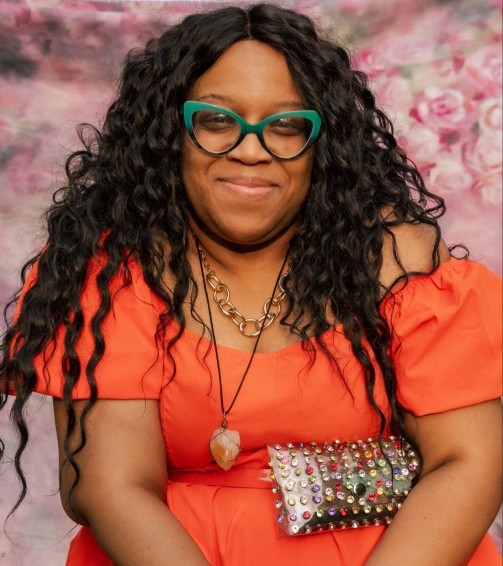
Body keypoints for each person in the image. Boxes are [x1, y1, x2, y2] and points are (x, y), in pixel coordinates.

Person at [1, 3, 501, 565]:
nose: (251, 149)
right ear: (169, 134)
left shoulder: (399, 264)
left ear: (323, 145)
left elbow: (468, 462)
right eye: (217, 121)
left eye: (286, 125)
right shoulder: (112, 274)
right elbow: (112, 488)